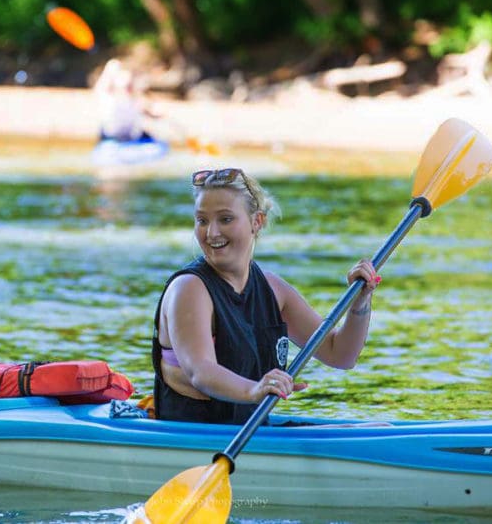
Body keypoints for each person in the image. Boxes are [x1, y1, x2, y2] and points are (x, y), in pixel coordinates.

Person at [152, 168, 380, 424]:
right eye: (202, 220)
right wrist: (254, 389)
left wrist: (360, 302)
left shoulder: (273, 290)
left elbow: (340, 355)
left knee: (380, 427)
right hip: (195, 437)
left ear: (256, 221)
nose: (211, 233)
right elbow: (200, 371)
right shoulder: (190, 288)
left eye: (225, 219)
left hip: (253, 435)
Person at [93, 59, 161, 143]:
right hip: (111, 137)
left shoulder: (136, 101)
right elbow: (102, 86)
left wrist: (158, 115)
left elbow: (149, 113)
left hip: (131, 137)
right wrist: (110, 68)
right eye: (127, 86)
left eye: (130, 85)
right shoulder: (109, 99)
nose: (128, 88)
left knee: (149, 135)